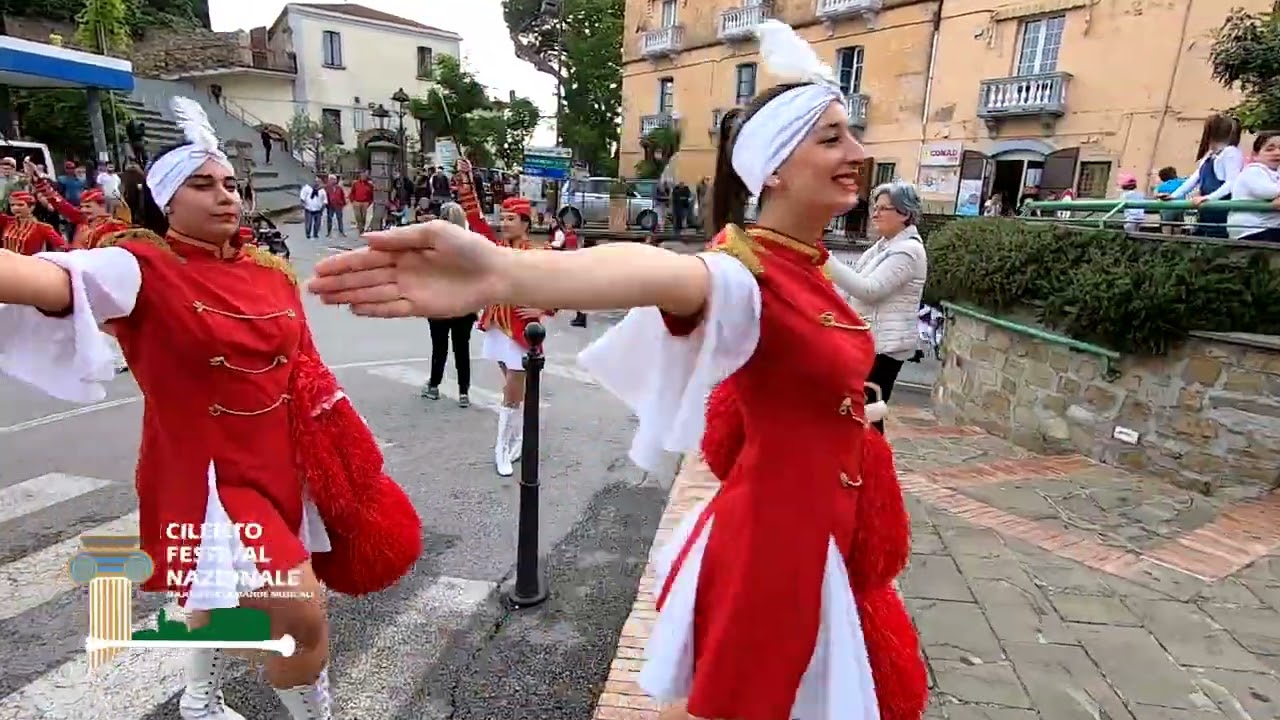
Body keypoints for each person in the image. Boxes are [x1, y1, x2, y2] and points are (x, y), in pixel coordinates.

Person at [308, 20, 925, 720]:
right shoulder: (744, 275)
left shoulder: (805, 268)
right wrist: (507, 269)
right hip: (779, 549)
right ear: (775, 167)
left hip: (820, 535)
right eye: (832, 138)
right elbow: (659, 271)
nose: (859, 153)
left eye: (852, 134)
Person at [0, 98, 421, 720]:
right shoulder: (137, 267)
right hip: (209, 478)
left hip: (283, 465)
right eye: (203, 185)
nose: (225, 196)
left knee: (217, 588)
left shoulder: (271, 271)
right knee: (297, 614)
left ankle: (199, 700)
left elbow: (306, 368)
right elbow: (46, 283)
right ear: (167, 200)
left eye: (230, 183)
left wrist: (342, 453)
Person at [453, 159, 552, 478]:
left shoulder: (539, 255)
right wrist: (466, 178)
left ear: (525, 223)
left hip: (523, 332)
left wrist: (543, 310)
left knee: (512, 390)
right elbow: (474, 218)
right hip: (496, 326)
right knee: (514, 390)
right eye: (504, 217)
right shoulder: (495, 249)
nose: (505, 223)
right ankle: (517, 438)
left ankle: (501, 448)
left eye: (511, 219)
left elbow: (561, 287)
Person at [825, 180, 928, 435]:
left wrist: (824, 260)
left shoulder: (908, 251)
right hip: (868, 341)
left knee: (868, 411)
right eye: (875, 207)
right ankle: (866, 465)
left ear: (904, 213)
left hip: (885, 346)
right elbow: (853, 284)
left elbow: (870, 290)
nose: (875, 213)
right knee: (863, 411)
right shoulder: (883, 247)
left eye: (885, 208)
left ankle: (872, 467)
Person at [421, 201, 478, 407]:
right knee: (462, 349)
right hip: (464, 305)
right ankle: (464, 392)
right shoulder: (471, 245)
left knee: (440, 347)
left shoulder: (434, 246)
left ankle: (434, 386)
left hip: (439, 303)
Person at [1170, 114, 1243, 237]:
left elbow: (1232, 182)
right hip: (1207, 211)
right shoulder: (1210, 155)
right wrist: (1173, 196)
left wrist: (1209, 197)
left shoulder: (1230, 153)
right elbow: (1194, 178)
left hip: (1222, 211)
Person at [31, 162, 129, 250]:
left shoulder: (116, 226)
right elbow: (60, 203)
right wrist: (40, 183)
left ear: (102, 206)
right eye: (82, 207)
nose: (83, 210)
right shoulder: (82, 219)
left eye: (88, 207)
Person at [1226, 130, 1280, 241]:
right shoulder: (1253, 171)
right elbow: (1269, 192)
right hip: (1252, 229)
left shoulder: (1273, 173)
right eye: (1270, 149)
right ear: (1255, 155)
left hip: (1267, 227)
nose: (1277, 153)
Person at [1, 189, 66, 254]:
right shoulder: (6, 221)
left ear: (32, 207)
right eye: (12, 205)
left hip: (27, 262)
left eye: (20, 205)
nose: (15, 208)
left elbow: (62, 247)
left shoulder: (43, 227)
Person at [1152, 166, 1185, 234]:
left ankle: (1167, 240)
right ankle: (1177, 241)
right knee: (1178, 226)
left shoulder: (1162, 185)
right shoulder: (1180, 183)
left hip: (1167, 209)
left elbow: (1155, 195)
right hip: (1180, 208)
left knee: (1166, 226)